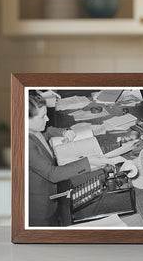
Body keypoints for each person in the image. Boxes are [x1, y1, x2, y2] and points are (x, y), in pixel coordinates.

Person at [28, 92, 107, 226]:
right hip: (40, 208)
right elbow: (52, 174)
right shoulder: (26, 145)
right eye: (42, 117)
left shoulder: (32, 130)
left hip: (51, 196)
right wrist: (89, 161)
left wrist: (63, 132)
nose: (47, 119)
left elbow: (46, 133)